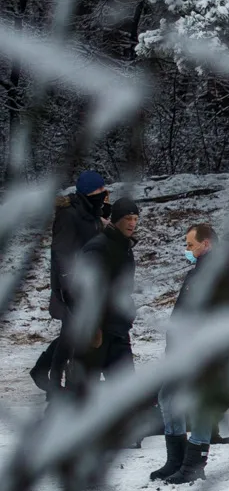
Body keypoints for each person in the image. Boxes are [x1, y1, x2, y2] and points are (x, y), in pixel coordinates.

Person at [152, 222, 229, 484]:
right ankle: (176, 460)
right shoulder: (199, 271)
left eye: (190, 245)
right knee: (168, 396)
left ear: (206, 244)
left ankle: (193, 463)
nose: (187, 250)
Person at [31, 170, 109, 396]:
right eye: (99, 190)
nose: (103, 193)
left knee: (72, 332)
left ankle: (46, 374)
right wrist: (68, 286)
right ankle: (53, 383)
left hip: (89, 283)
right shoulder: (68, 215)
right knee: (71, 332)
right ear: (88, 192)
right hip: (72, 286)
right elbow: (61, 253)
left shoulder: (90, 211)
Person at [65, 196, 142, 391]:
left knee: (126, 393)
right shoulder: (98, 248)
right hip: (94, 337)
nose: (132, 223)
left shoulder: (125, 247)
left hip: (117, 330)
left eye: (135, 218)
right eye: (127, 218)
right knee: (81, 396)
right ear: (116, 219)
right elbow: (75, 292)